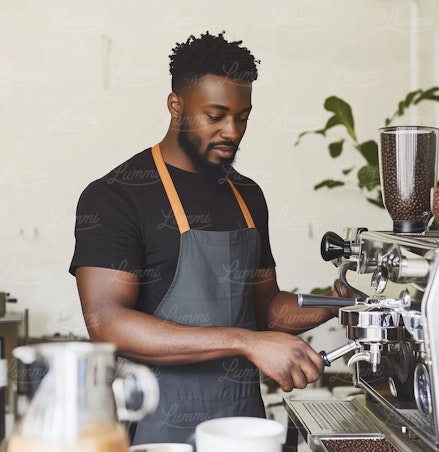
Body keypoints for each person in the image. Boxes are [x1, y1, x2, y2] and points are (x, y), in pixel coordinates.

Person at [70, 31, 348, 445]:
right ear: (175, 105)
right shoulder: (117, 195)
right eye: (215, 116)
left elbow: (265, 308)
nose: (232, 131)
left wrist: (336, 303)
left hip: (240, 427)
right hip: (155, 429)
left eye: (243, 116)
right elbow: (107, 323)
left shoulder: (247, 194)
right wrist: (245, 342)